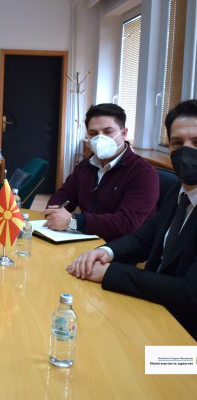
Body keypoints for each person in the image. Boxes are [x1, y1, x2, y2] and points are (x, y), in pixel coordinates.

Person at [66, 99, 197, 339]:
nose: (186, 152)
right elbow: (144, 239)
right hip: (153, 313)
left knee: (120, 358)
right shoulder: (178, 192)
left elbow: (189, 293)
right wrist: (105, 252)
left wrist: (110, 273)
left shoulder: (145, 173)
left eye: (196, 142)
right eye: (177, 143)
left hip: (185, 344)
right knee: (85, 334)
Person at [45, 103, 159, 242]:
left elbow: (126, 224)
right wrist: (54, 213)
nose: (100, 138)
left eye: (108, 131)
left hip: (121, 247)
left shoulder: (143, 172)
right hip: (85, 238)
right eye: (93, 133)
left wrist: (73, 222)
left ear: (124, 133)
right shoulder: (85, 166)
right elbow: (63, 195)